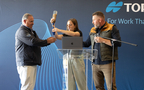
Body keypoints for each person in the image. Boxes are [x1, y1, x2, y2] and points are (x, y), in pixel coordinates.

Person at [15, 13, 56, 90]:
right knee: (27, 86)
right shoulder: (22, 31)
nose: (33, 23)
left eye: (33, 21)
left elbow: (38, 42)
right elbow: (33, 42)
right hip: (26, 63)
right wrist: (47, 41)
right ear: (24, 21)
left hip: (31, 62)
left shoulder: (31, 32)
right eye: (31, 21)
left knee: (30, 86)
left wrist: (48, 41)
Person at [83, 11, 121, 90]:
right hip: (95, 64)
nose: (92, 22)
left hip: (108, 63)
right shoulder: (93, 30)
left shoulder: (112, 27)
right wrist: (74, 41)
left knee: (111, 87)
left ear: (100, 20)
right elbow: (87, 43)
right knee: (98, 87)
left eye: (94, 20)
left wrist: (103, 40)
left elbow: (118, 43)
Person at [51, 18, 87, 90]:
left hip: (77, 59)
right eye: (67, 25)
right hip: (68, 59)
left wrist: (59, 30)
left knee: (81, 80)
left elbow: (74, 34)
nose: (68, 27)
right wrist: (54, 27)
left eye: (70, 25)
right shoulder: (66, 35)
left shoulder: (78, 33)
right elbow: (57, 37)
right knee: (69, 81)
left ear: (75, 25)